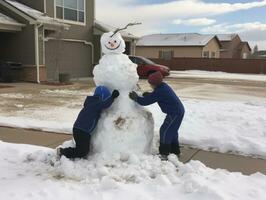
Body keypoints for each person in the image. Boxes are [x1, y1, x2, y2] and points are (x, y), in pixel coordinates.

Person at [129, 71, 185, 159]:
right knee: (172, 131)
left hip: (175, 113)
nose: (150, 86)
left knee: (165, 131)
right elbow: (156, 95)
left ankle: (164, 153)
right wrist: (150, 94)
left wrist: (136, 98)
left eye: (151, 84)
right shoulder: (163, 87)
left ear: (156, 83)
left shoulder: (161, 91)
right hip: (177, 111)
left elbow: (146, 102)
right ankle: (175, 151)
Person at [57, 86, 119, 159]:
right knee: (83, 151)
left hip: (79, 129)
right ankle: (63, 152)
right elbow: (105, 104)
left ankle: (65, 152)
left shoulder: (91, 103)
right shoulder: (96, 104)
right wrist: (112, 97)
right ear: (102, 96)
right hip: (82, 131)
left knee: (82, 149)